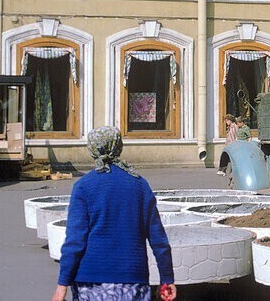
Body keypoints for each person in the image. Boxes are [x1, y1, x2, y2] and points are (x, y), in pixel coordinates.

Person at [52, 126, 177, 301]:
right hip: (133, 279)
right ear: (118, 147)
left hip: (90, 282)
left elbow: (75, 241)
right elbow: (158, 239)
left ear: (92, 149)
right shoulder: (140, 185)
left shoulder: (84, 186)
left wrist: (62, 285)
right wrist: (167, 279)